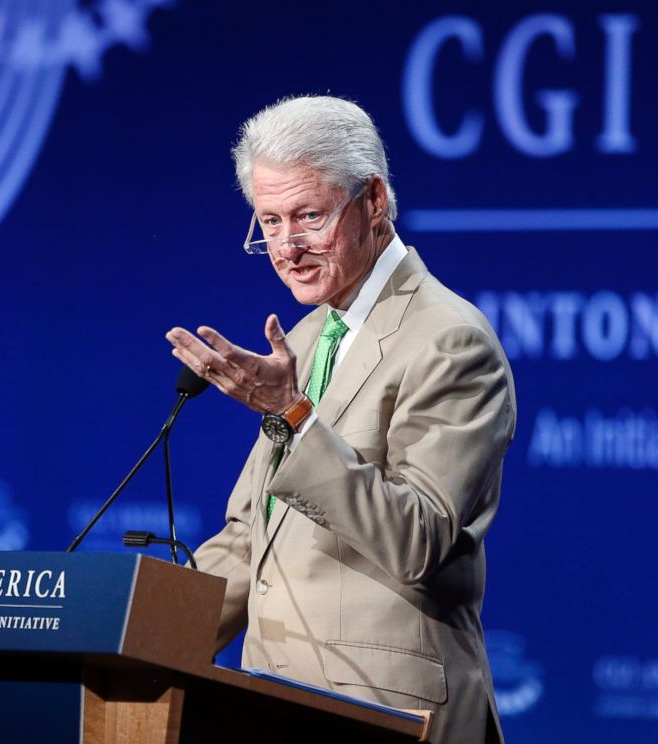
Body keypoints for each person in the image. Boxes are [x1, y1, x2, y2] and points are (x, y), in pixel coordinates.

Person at [166, 95, 516, 744]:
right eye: (269, 222)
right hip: (274, 705)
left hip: (387, 712)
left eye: (308, 216)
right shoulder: (308, 334)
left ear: (374, 201)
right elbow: (254, 539)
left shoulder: (450, 339)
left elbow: (418, 538)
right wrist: (130, 632)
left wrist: (295, 417)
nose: (287, 247)